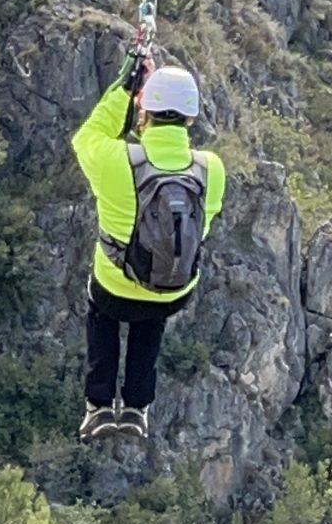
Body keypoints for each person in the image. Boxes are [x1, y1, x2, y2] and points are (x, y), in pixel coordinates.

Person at [71, 60, 226, 441]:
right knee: (151, 316)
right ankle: (138, 408)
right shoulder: (211, 168)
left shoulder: (116, 160)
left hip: (114, 287)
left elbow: (87, 136)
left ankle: (100, 407)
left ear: (145, 111)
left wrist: (127, 87)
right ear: (191, 119)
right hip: (174, 290)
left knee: (101, 310)